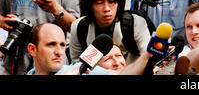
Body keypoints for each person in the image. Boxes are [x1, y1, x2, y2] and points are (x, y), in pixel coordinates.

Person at [70, 0, 151, 65]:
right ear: (89, 5)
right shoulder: (79, 27)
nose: (107, 9)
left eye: (112, 1)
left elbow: (147, 58)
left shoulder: (136, 23)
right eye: (100, 2)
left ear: (118, 3)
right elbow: (76, 65)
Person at [27, 23, 158, 75]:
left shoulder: (82, 69)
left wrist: (147, 56)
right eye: (51, 44)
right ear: (33, 50)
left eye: (62, 45)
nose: (59, 51)